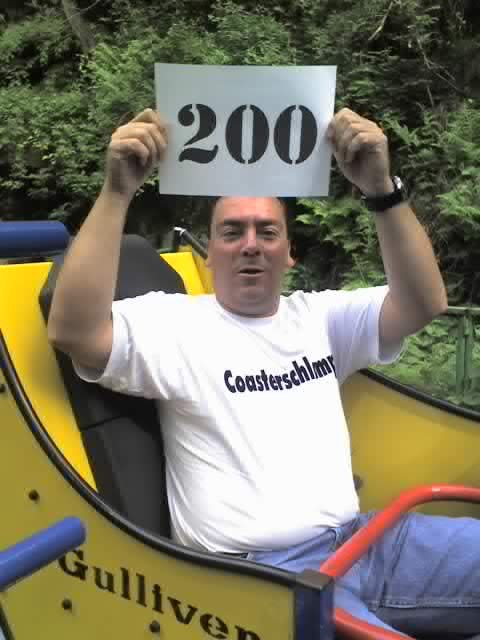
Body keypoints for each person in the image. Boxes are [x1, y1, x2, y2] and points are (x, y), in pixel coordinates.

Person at [47, 107, 480, 637]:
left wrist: (379, 189)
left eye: (266, 231)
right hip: (265, 576)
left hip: (366, 543)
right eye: (232, 232)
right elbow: (74, 331)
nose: (250, 243)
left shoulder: (320, 317)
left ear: (288, 254)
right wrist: (117, 193)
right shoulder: (175, 325)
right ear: (210, 254)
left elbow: (424, 302)